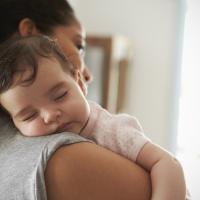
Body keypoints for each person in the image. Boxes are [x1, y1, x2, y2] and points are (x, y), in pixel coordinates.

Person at [0, 35, 187, 200]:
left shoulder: (113, 129)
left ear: (80, 82)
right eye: (30, 116)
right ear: (12, 123)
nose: (50, 116)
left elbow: (167, 163)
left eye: (60, 96)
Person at [0, 0, 152, 199]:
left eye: (60, 95)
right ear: (30, 32)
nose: (87, 74)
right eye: (79, 46)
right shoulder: (62, 159)